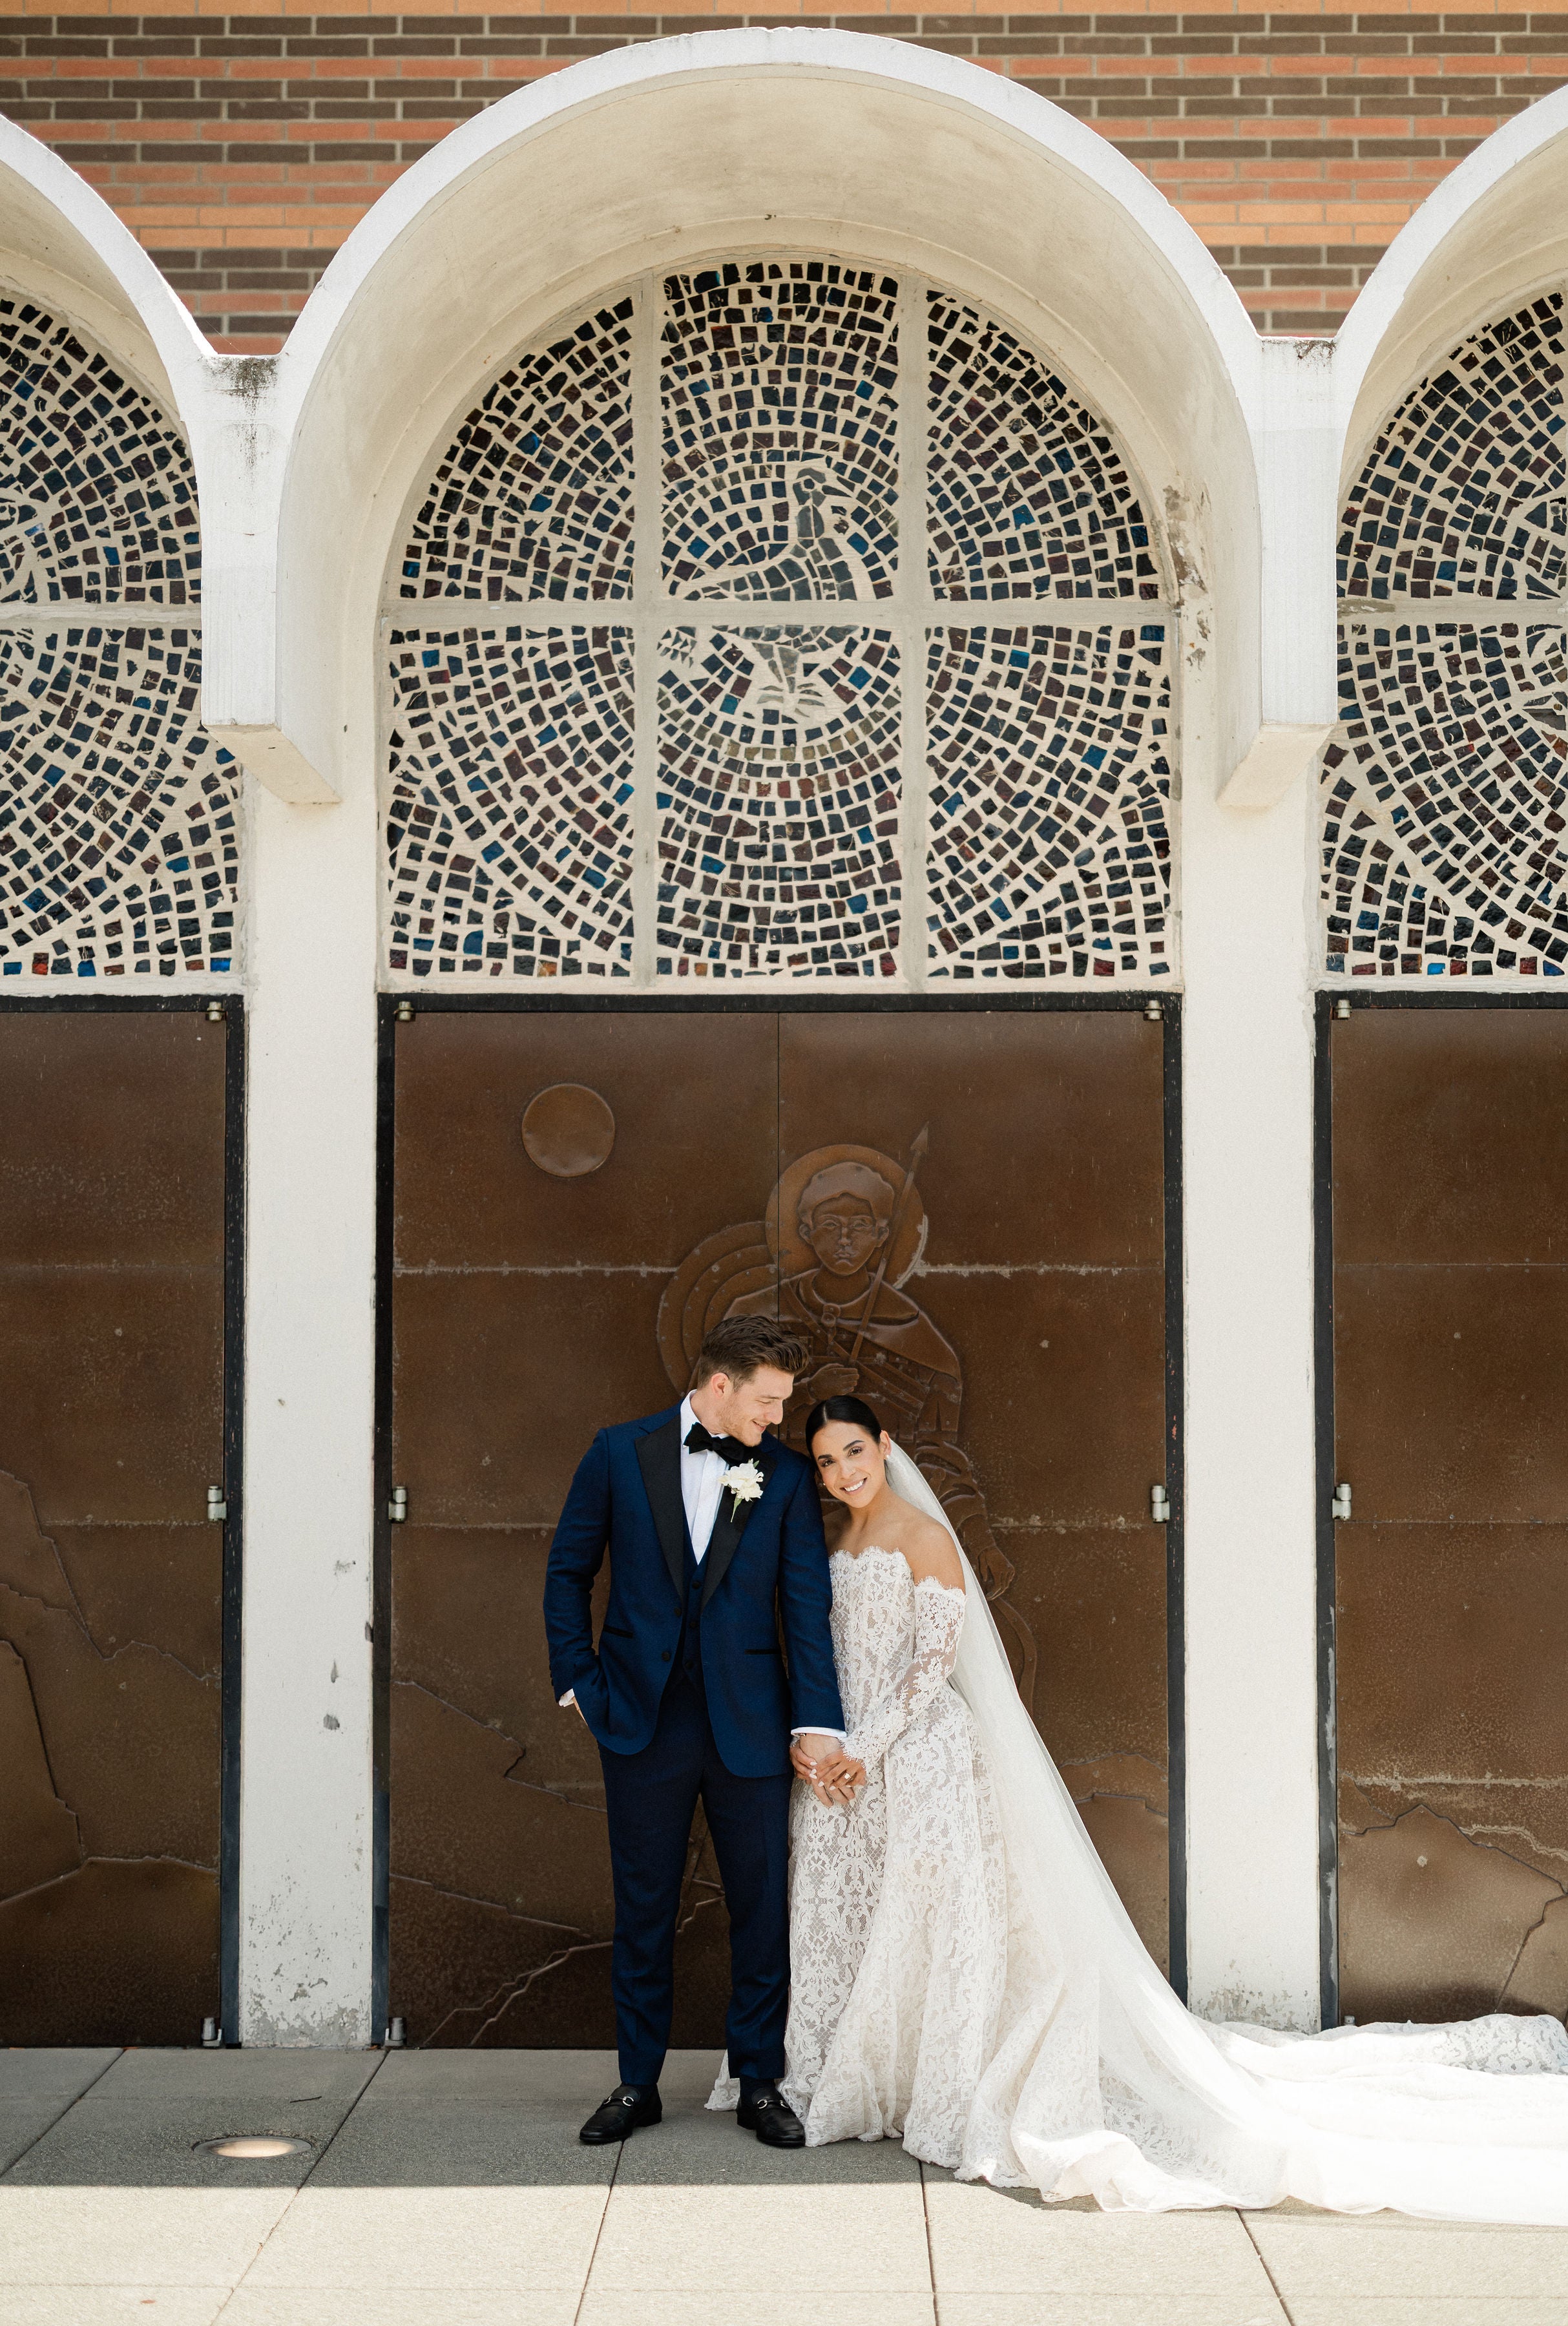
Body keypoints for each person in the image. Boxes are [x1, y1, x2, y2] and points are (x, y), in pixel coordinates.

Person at [707, 1393, 1568, 2225]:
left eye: (854, 1451)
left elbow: (931, 1666)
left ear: (884, 1444)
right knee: (858, 1920)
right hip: (848, 1768)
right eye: (825, 1461)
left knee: (930, 1925)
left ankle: (936, 2083)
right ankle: (866, 2076)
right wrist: (823, 1744)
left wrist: (867, 1746)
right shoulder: (833, 1539)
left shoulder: (925, 1538)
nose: (843, 1471)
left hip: (916, 1758)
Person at [542, 1317, 862, 2150]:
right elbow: (568, 1570)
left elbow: (806, 1608)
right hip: (640, 1722)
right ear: (721, 1386)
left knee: (761, 1906)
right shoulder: (619, 1452)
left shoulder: (784, 1478)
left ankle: (762, 2083)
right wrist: (581, 1680)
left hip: (751, 1723)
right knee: (643, 1903)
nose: (777, 1421)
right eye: (767, 1402)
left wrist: (817, 1722)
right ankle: (636, 2082)